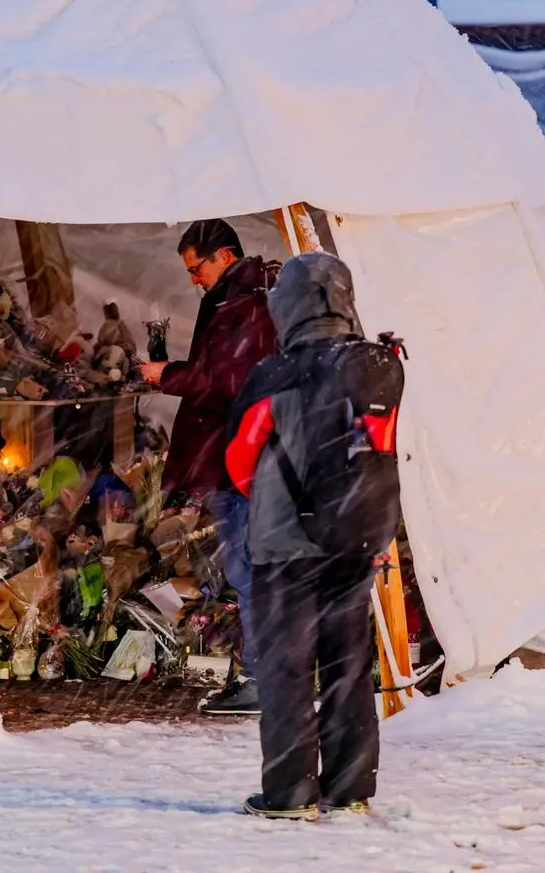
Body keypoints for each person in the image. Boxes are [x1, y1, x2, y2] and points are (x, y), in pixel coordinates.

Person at [225, 252, 403, 820]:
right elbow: (379, 444)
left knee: (286, 669)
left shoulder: (274, 373)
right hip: (356, 537)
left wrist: (278, 497)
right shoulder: (377, 363)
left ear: (288, 307)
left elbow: (239, 458)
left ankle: (290, 794)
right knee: (349, 664)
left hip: (285, 546)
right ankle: (349, 787)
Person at [139, 218, 278, 715]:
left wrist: (170, 375)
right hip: (238, 454)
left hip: (243, 457)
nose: (193, 279)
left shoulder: (247, 303)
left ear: (224, 256)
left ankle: (264, 681)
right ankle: (264, 676)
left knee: (250, 569)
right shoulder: (235, 299)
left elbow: (228, 381)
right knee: (248, 569)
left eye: (196, 268)